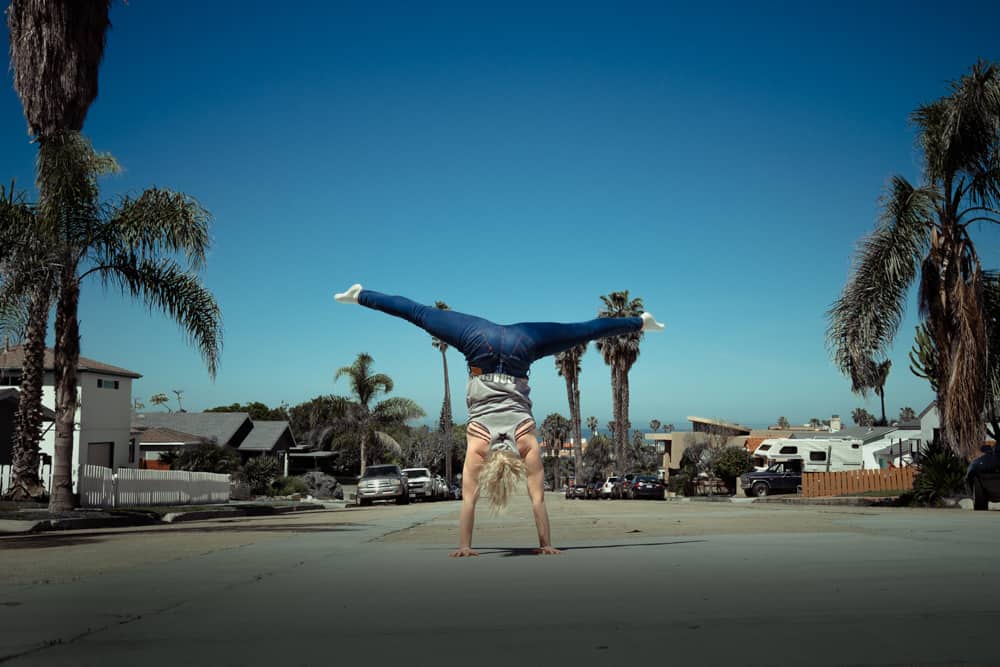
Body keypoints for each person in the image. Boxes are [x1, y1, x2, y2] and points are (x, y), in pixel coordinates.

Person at [333, 283, 664, 556]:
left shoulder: (524, 441)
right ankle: (360, 295)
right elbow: (470, 501)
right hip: (480, 345)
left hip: (521, 345)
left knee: (581, 331)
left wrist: (545, 544)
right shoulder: (479, 445)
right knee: (421, 315)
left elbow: (536, 499)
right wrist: (466, 545)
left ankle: (639, 321)